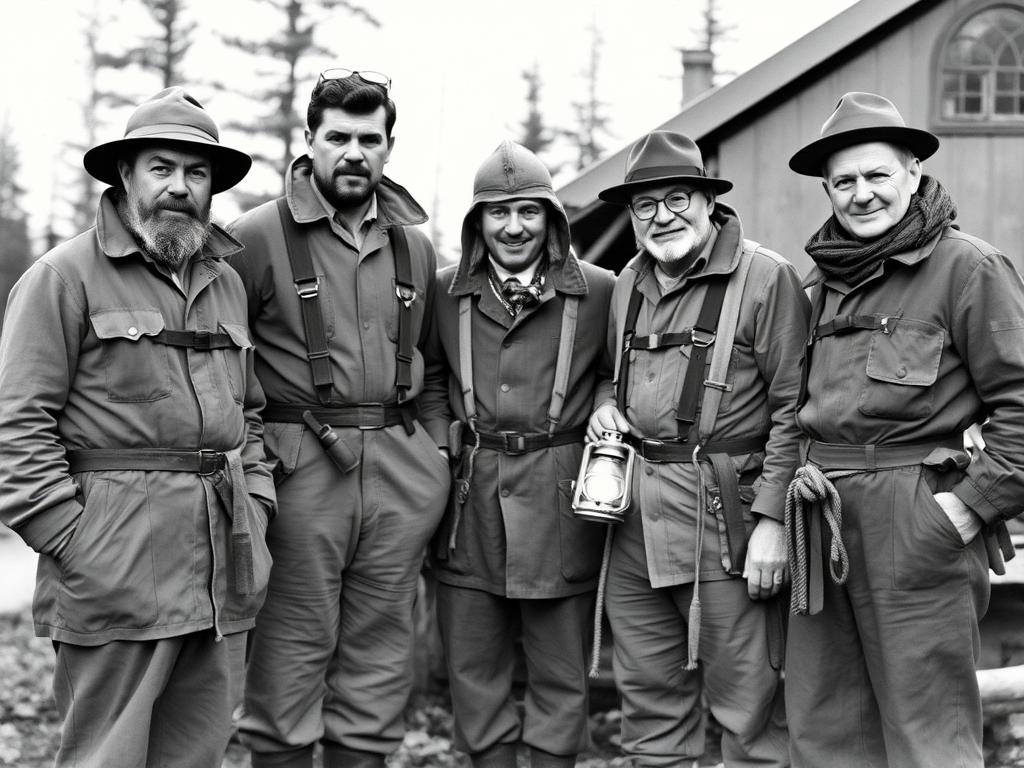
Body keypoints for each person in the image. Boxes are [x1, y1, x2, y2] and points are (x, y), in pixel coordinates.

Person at [0, 87, 276, 768]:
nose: (179, 187)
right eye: (161, 168)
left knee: (195, 756)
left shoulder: (226, 283)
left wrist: (260, 506)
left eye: (196, 173)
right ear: (124, 175)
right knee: (107, 759)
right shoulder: (61, 278)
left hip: (220, 572)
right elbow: (17, 425)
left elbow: (253, 413)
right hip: (112, 575)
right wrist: (74, 541)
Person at [784, 91, 1024, 768]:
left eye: (877, 175)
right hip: (821, 515)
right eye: (844, 182)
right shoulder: (817, 284)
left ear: (913, 173)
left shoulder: (968, 268)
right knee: (826, 732)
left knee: (928, 737)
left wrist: (966, 509)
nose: (861, 195)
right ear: (828, 190)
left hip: (916, 517)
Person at [228, 69, 449, 768]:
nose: (354, 152)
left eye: (369, 139)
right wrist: (259, 463)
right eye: (339, 138)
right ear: (310, 141)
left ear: (389, 146)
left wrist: (436, 456)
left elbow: (434, 365)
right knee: (292, 641)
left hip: (401, 464)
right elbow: (223, 368)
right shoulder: (255, 236)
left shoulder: (414, 243)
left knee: (383, 649)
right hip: (300, 469)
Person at [587, 130, 808, 767]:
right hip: (634, 525)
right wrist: (607, 403)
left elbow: (797, 413)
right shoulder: (627, 282)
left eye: (678, 198)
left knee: (750, 711)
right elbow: (609, 369)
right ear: (631, 218)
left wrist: (772, 523)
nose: (663, 216)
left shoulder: (766, 278)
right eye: (645, 205)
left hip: (728, 523)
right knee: (649, 708)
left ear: (709, 201)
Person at [417, 140, 615, 768]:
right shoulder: (442, 292)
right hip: (467, 505)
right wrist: (438, 447)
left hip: (562, 508)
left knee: (561, 675)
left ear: (552, 219)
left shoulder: (603, 291)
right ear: (477, 223)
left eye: (529, 212)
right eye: (497, 214)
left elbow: (619, 371)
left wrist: (606, 406)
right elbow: (425, 380)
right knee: (473, 672)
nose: (513, 227)